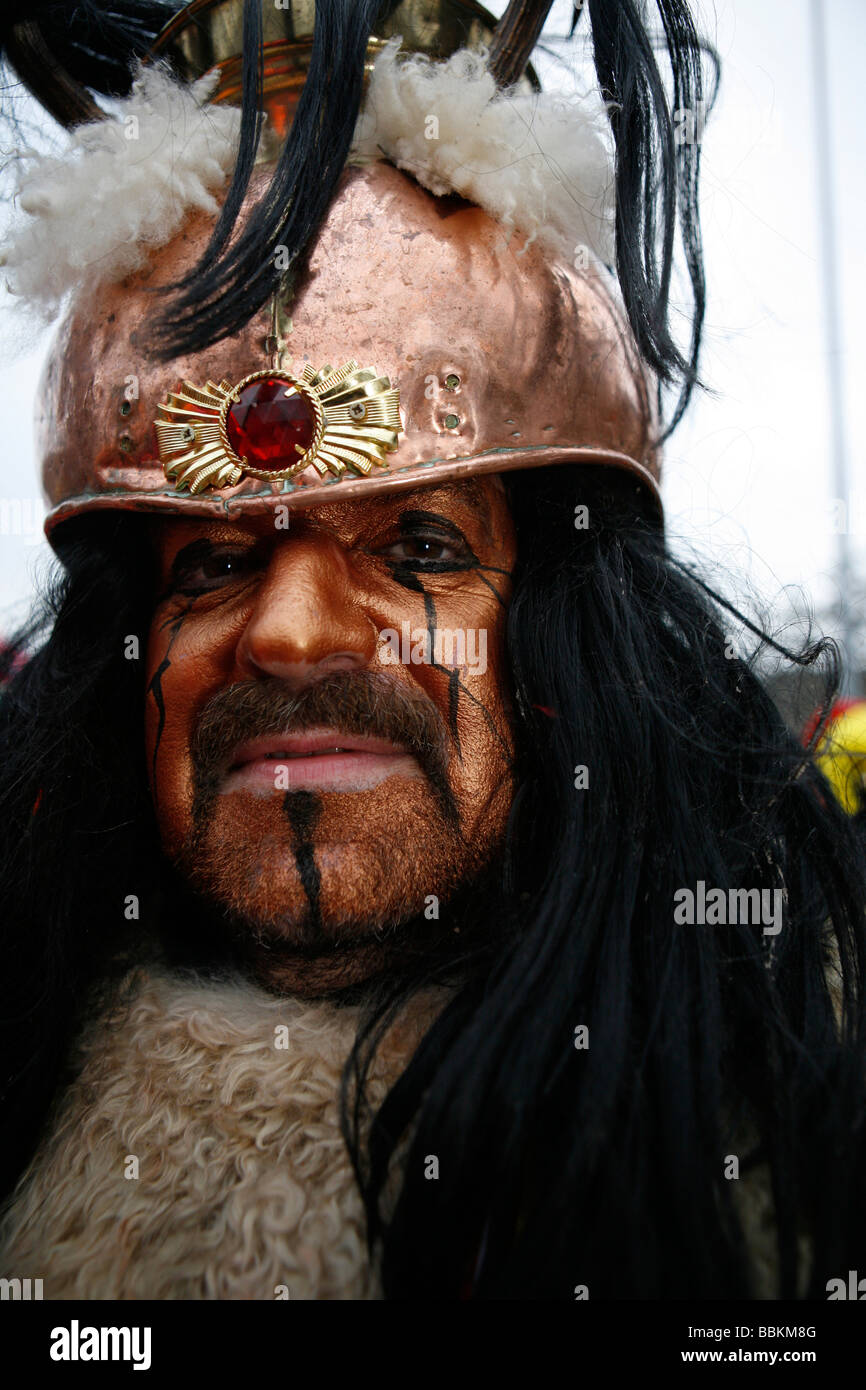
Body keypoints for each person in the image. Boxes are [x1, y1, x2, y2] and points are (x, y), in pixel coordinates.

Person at [0, 0, 864, 1302]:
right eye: (217, 563)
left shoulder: (810, 1123)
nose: (289, 634)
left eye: (418, 549)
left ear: (567, 657)